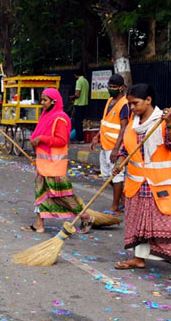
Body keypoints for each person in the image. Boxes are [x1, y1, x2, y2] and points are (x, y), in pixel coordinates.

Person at [112, 84, 171, 280]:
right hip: (137, 184)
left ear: (148, 100)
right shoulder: (133, 121)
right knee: (137, 222)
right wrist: (120, 163)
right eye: (130, 104)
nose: (132, 108)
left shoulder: (165, 119)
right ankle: (139, 258)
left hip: (159, 184)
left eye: (135, 103)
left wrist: (170, 124)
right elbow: (126, 148)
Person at [24, 88, 93, 233]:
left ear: (53, 102)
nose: (42, 103)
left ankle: (85, 217)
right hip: (43, 164)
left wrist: (41, 139)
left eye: (45, 100)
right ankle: (39, 224)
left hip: (55, 165)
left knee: (64, 195)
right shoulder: (45, 116)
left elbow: (62, 141)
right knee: (40, 193)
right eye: (41, 99)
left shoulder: (60, 118)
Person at [89, 74, 130, 214]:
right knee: (106, 175)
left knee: (116, 175)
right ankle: (122, 197)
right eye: (110, 87)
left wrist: (117, 149)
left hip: (115, 147)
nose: (111, 89)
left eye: (114, 87)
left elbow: (124, 127)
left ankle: (115, 206)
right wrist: (97, 136)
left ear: (121, 88)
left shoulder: (124, 104)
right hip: (105, 144)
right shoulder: (109, 101)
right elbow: (105, 122)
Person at [70, 70, 89, 143]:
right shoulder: (86, 81)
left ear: (75, 75)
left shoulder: (79, 81)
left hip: (79, 104)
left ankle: (79, 139)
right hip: (85, 104)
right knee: (80, 122)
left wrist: (72, 97)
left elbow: (77, 94)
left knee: (77, 123)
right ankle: (81, 138)